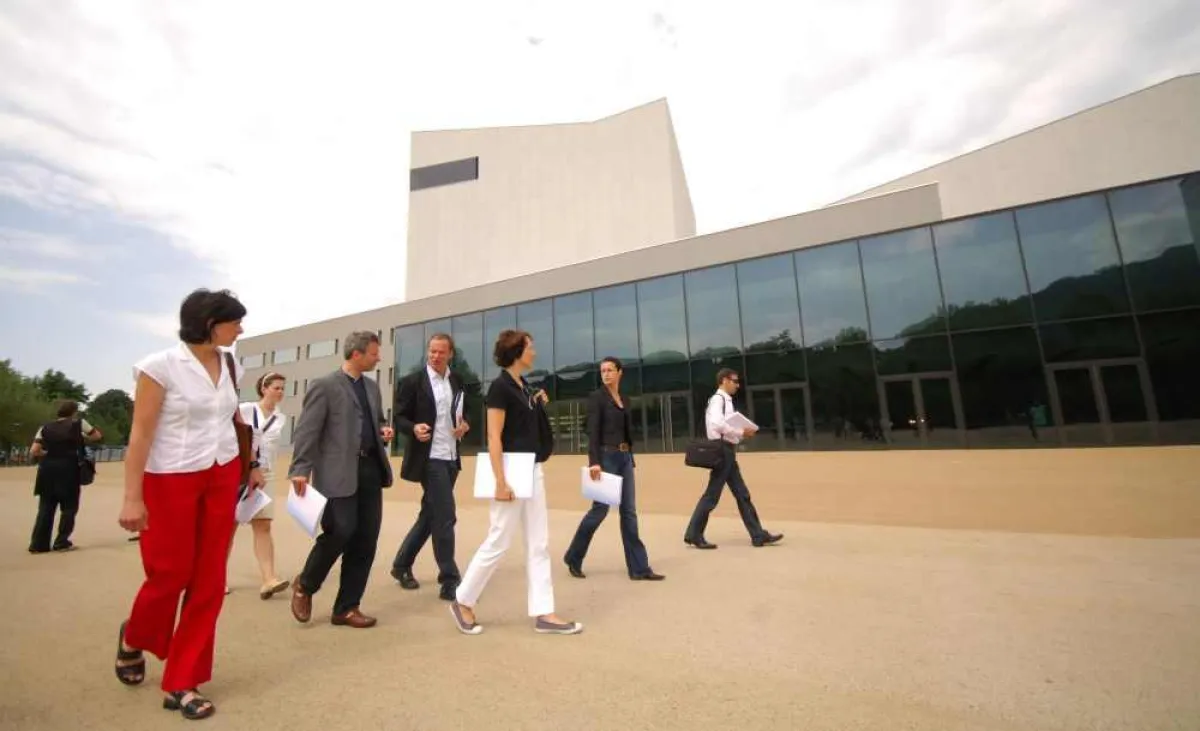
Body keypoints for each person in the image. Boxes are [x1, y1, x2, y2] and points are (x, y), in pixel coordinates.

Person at [113, 288, 263, 721]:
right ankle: (135, 635)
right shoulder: (159, 367)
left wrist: (249, 465)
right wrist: (131, 497)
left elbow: (233, 419)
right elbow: (140, 435)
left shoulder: (231, 363)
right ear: (210, 323)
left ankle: (183, 680)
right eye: (235, 321)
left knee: (210, 581)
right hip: (169, 478)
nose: (241, 328)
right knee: (170, 573)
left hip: (220, 476)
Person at [449, 329, 582, 636]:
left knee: (539, 543)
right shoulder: (499, 388)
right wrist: (500, 480)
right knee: (499, 539)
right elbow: (494, 436)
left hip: (532, 468)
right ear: (516, 352)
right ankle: (463, 600)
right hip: (510, 470)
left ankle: (544, 612)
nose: (534, 352)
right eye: (530, 348)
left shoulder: (524, 387)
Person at [288, 331, 394, 629]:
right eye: (374, 353)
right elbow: (307, 430)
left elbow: (377, 420)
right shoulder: (324, 386)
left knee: (366, 539)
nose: (378, 358)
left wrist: (384, 430)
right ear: (356, 354)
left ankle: (347, 608)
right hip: (337, 471)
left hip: (371, 469)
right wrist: (300, 468)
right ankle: (305, 585)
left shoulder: (372, 388)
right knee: (341, 531)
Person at [563, 357, 664, 581]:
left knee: (629, 512)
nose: (606, 374)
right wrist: (594, 462)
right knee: (599, 510)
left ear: (620, 373)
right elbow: (593, 432)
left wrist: (629, 457)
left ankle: (639, 568)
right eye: (603, 371)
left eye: (610, 370)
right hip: (606, 458)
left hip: (625, 457)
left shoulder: (625, 400)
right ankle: (574, 556)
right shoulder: (597, 398)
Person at [390, 333, 470, 601]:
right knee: (446, 516)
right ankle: (450, 578)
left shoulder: (456, 380)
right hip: (429, 459)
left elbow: (460, 412)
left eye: (441, 352)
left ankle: (401, 565)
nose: (435, 356)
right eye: (432, 351)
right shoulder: (413, 382)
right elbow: (399, 416)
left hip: (450, 457)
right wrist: (413, 428)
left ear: (451, 354)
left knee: (431, 514)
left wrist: (464, 425)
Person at [683, 368, 783, 550]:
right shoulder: (718, 400)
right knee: (712, 495)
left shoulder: (725, 401)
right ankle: (694, 534)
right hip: (722, 452)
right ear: (723, 381)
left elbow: (724, 425)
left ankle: (757, 534)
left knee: (741, 494)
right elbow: (717, 424)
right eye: (734, 381)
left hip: (727, 451)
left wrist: (740, 434)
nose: (738, 385)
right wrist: (740, 431)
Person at [229, 372, 291, 599]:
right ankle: (216, 578)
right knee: (229, 527)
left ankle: (268, 578)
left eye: (283, 388)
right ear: (263, 388)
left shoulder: (281, 418)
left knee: (263, 525)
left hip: (267, 475)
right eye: (276, 387)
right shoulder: (245, 410)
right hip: (239, 473)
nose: (281, 392)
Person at [28, 400, 102, 553]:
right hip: (69, 469)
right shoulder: (79, 424)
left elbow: (34, 450)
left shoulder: (45, 427)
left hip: (47, 470)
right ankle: (61, 542)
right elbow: (97, 436)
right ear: (74, 412)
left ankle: (38, 544)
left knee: (46, 507)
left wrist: (48, 454)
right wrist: (82, 437)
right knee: (69, 507)